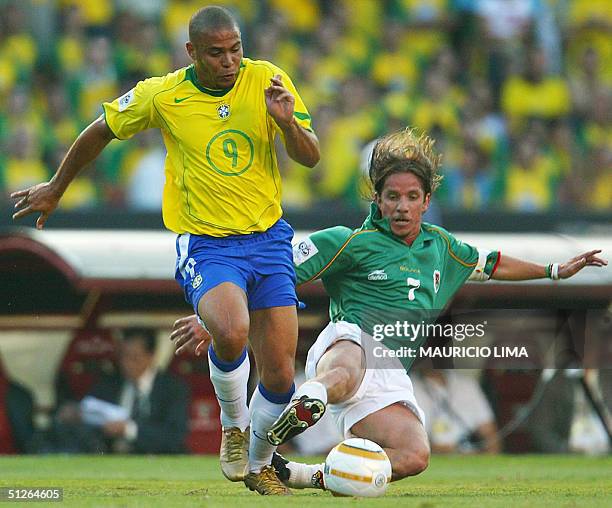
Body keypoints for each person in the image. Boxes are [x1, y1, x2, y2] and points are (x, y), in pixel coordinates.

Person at [170, 127, 606, 492]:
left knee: (415, 455)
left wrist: (553, 269)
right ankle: (304, 404)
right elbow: (272, 273)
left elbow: (492, 264)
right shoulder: (349, 240)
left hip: (391, 368)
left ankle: (301, 473)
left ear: (426, 200)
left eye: (411, 196)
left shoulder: (444, 248)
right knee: (346, 366)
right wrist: (219, 314)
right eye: (392, 196)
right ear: (377, 200)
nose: (401, 206)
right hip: (348, 341)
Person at [11, 5, 319, 495]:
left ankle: (259, 461)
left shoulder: (267, 80)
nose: (229, 61)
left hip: (268, 238)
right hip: (207, 243)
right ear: (192, 52)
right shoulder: (163, 94)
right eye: (216, 53)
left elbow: (310, 156)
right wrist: (56, 186)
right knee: (232, 329)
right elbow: (101, 129)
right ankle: (234, 428)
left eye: (236, 49)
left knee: (281, 372)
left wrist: (288, 124)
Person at [47, 328, 189, 455]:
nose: (127, 364)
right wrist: (77, 412)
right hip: (110, 459)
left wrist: (129, 429)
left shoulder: (172, 388)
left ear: (151, 357)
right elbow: (90, 409)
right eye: (123, 356)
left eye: (134, 357)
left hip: (155, 461)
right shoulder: (109, 382)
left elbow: (174, 437)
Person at [412, 369, 500, 454]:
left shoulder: (467, 385)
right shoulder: (408, 386)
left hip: (467, 454)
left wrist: (487, 456)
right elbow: (408, 439)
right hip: (426, 453)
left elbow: (490, 434)